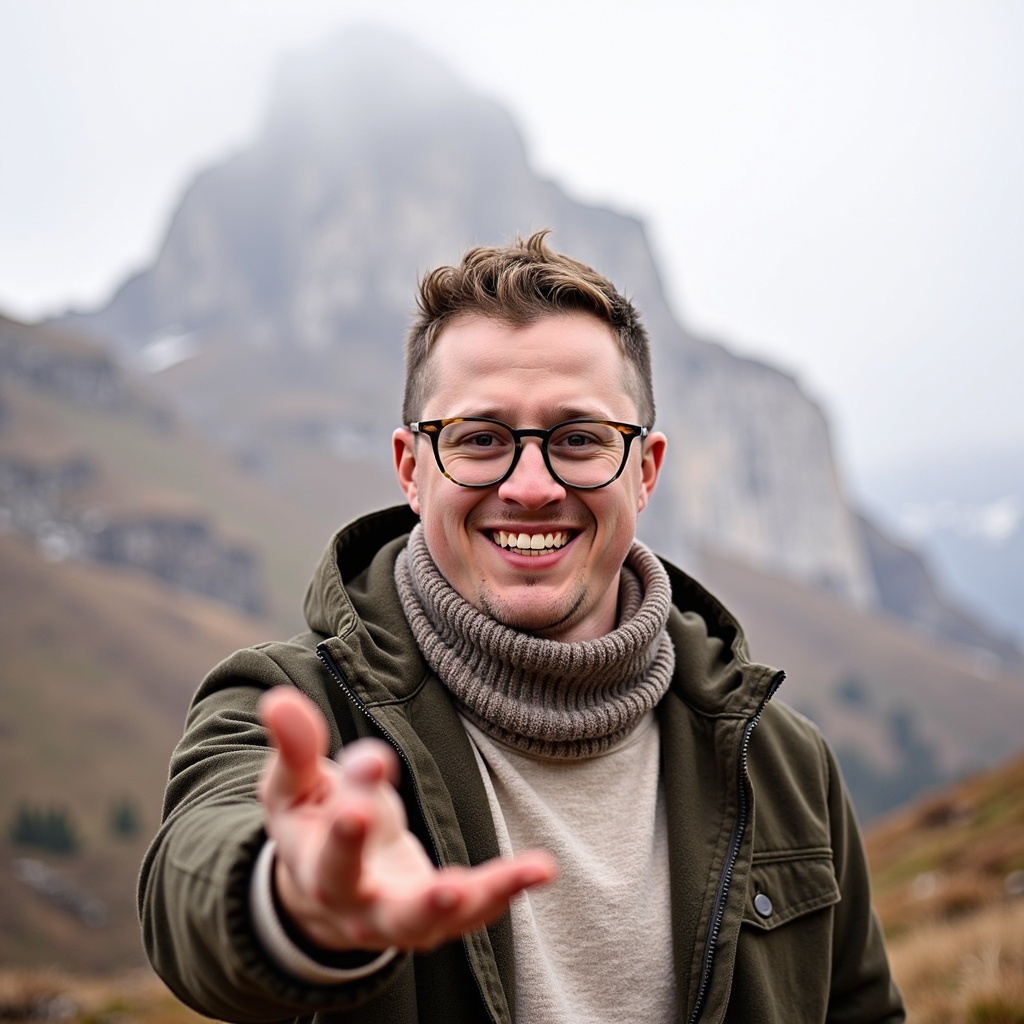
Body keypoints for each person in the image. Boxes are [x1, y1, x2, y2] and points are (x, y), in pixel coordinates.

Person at [138, 231, 905, 1023]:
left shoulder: (781, 756)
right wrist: (291, 903)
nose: (531, 487)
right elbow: (190, 885)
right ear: (411, 468)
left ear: (645, 469)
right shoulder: (287, 704)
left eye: (579, 438)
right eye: (480, 440)